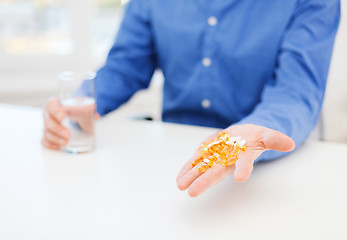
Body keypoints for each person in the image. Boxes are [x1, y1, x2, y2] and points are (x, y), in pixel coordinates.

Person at [42, 0, 340, 197]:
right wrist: (80, 102)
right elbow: (126, 66)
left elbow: (296, 91)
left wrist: (256, 130)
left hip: (269, 175)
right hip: (168, 164)